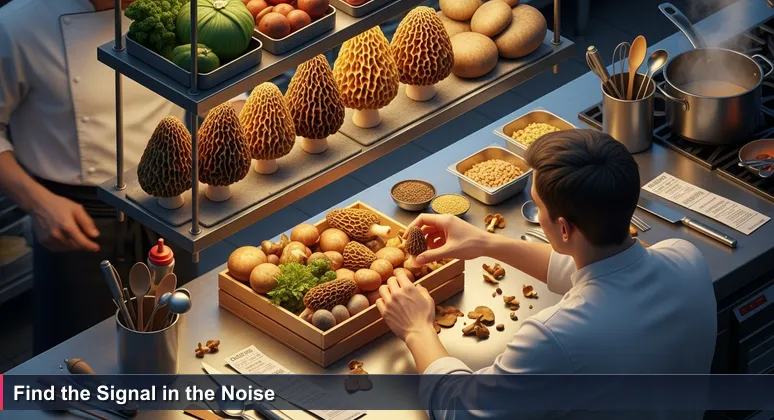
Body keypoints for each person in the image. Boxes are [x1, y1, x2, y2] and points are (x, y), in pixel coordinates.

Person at [376, 129, 717, 419]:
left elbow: (461, 409)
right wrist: (486, 242)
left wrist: (417, 329)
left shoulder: (553, 337)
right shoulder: (686, 258)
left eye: (538, 206)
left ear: (564, 229)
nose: (537, 216)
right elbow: (599, 267)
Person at [0, 0, 243, 354]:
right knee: (79, 353)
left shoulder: (176, 7)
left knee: (179, 333)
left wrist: (232, 128)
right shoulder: (16, 26)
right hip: (78, 221)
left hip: (169, 203)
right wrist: (38, 203)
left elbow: (223, 76)